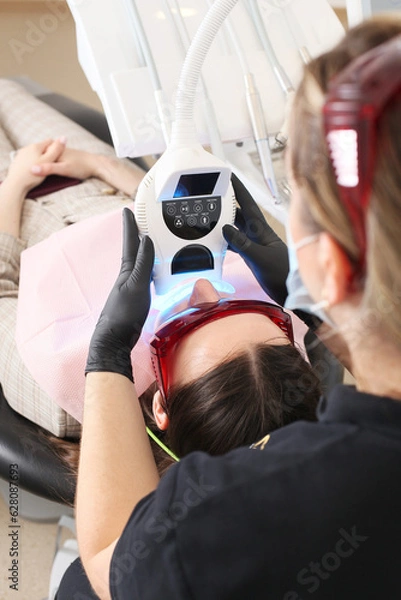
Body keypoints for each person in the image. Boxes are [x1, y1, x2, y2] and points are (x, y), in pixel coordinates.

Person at [57, 14, 401, 600]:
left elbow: (110, 557)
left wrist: (108, 356)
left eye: (298, 198)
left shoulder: (233, 521)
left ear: (334, 269)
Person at [0, 79, 320, 477]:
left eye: (191, 323)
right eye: (231, 302)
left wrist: (14, 184)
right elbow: (173, 218)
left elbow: (1, 289)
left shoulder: (63, 395)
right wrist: (104, 167)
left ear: (161, 407)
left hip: (16, 211)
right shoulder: (277, 352)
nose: (205, 288)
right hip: (109, 185)